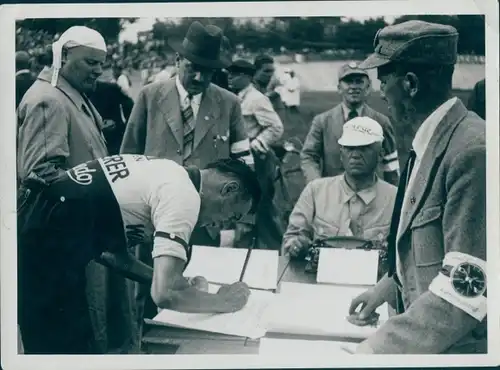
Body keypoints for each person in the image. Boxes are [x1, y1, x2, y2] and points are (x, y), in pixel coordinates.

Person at [18, 154, 260, 354]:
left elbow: (115, 257)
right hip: (47, 252)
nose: (221, 225)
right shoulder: (184, 196)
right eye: (232, 216)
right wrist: (224, 302)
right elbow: (164, 295)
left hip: (39, 228)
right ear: (229, 189)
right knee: (63, 351)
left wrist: (178, 283)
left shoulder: (167, 170)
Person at [348, 20, 487, 354]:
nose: (380, 92)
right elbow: (426, 243)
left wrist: (374, 352)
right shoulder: (434, 141)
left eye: (384, 81)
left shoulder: (471, 153)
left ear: (409, 84)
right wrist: (390, 284)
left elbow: (465, 292)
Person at [118, 21, 254, 339]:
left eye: (207, 71)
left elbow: (244, 168)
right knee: (150, 294)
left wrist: (240, 221)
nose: (199, 77)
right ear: (178, 60)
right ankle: (143, 349)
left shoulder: (229, 103)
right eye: (193, 68)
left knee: (201, 295)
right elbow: (127, 158)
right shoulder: (150, 96)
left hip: (206, 221)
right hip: (151, 219)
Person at [17, 26, 135, 354]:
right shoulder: (48, 100)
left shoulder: (70, 92)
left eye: (102, 63)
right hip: (62, 246)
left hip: (82, 236)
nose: (98, 69)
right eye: (90, 62)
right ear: (63, 57)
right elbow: (40, 174)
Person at [283, 117, 396, 256]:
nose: (355, 155)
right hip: (318, 275)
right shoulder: (315, 191)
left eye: (364, 148)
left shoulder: (396, 199)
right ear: (341, 154)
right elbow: (291, 239)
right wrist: (297, 245)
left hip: (377, 277)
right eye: (349, 148)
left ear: (380, 154)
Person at [300, 62, 400, 186]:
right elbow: (309, 156)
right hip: (334, 193)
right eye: (348, 82)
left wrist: (394, 194)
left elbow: (390, 162)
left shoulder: (381, 121)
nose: (353, 87)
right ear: (339, 88)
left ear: (368, 87)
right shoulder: (322, 121)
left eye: (359, 82)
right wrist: (316, 185)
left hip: (371, 193)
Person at [227, 59, 285, 249]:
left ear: (247, 77)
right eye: (230, 73)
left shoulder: (256, 99)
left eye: (235, 74)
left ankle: (278, 249)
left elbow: (276, 127)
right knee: (246, 210)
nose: (230, 77)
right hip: (240, 161)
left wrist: (257, 143)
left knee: (260, 210)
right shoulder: (237, 97)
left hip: (256, 161)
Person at [87, 79, 134, 155]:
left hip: (114, 139)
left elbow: (129, 105)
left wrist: (125, 127)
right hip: (93, 141)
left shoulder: (110, 88)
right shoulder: (75, 94)